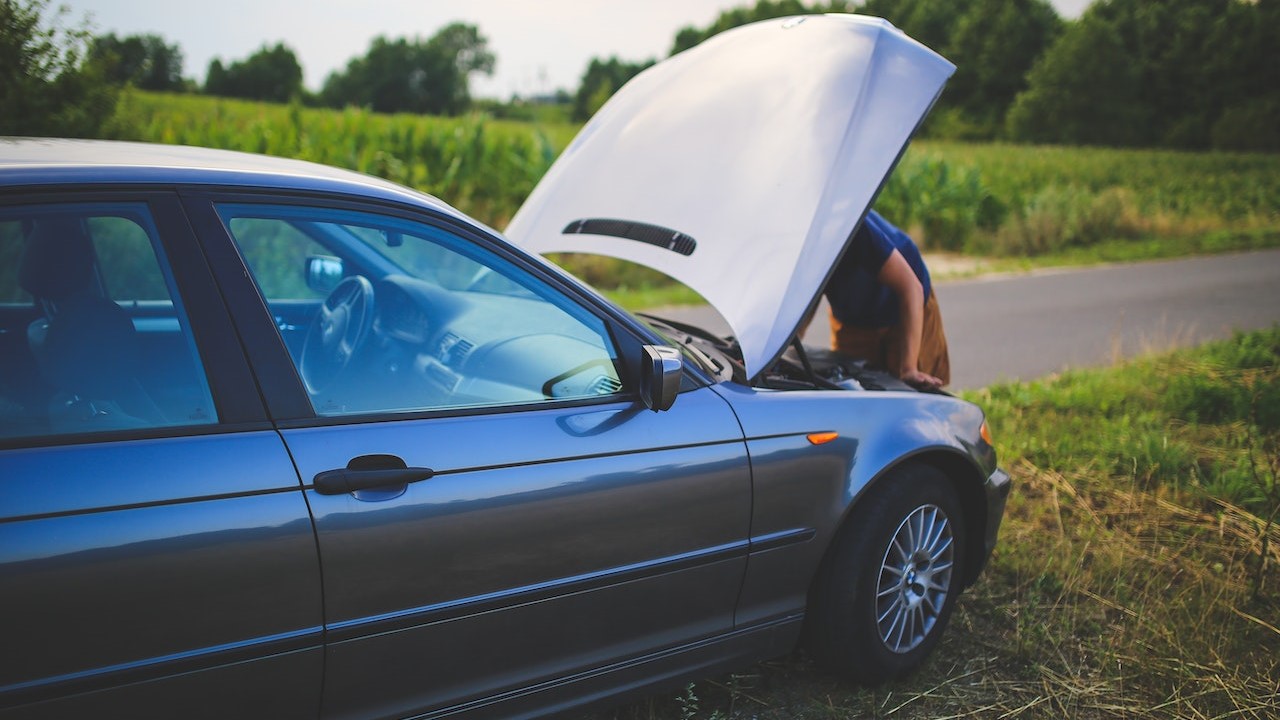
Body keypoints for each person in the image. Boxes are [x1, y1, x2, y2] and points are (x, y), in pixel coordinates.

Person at [820, 210, 950, 389]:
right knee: (851, 389)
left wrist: (909, 368)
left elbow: (911, 289)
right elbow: (802, 301)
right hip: (853, 316)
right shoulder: (792, 242)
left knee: (911, 390)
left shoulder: (851, 226)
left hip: (906, 304)